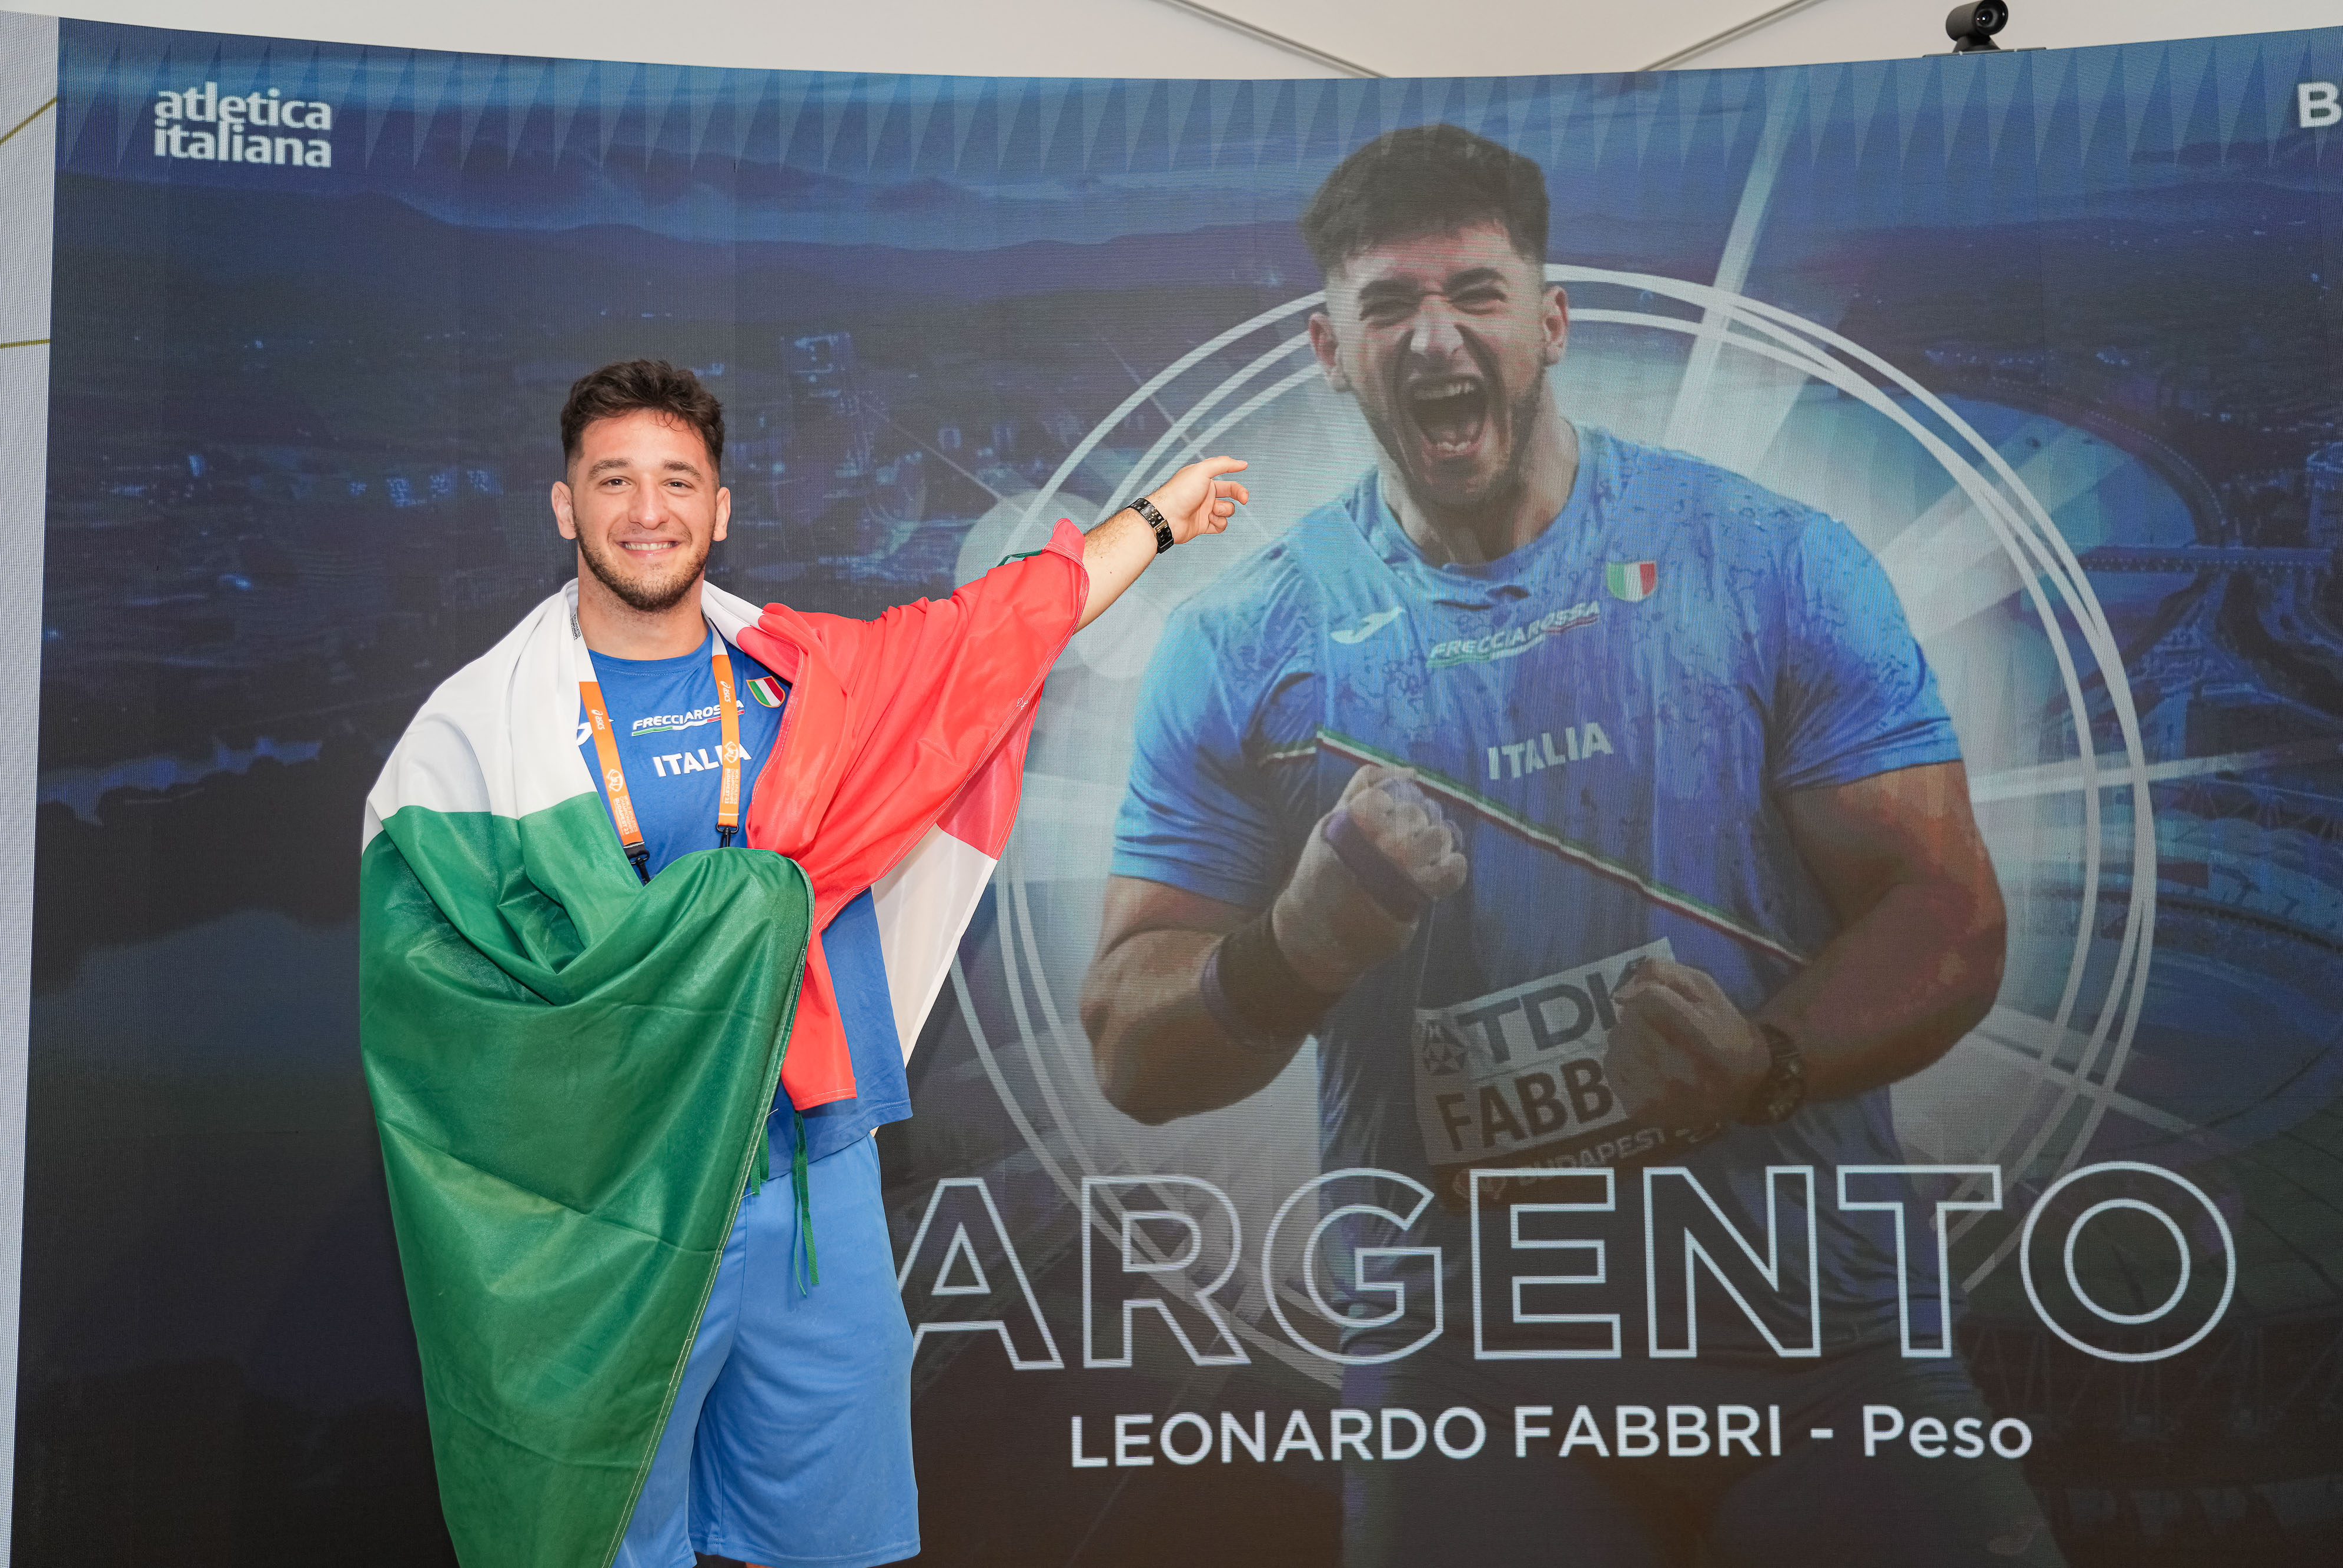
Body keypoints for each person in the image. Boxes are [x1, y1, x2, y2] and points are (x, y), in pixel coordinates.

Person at [1081, 126, 2060, 1566]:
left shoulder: (1770, 558)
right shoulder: (1238, 644)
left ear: (1548, 322)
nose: (1433, 338)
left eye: (1474, 293)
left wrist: (1764, 1061)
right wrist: (1287, 952)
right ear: (1328, 351)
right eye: (1385, 306)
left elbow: (1944, 910)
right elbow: (1130, 1046)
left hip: (1823, 1343)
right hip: (1457, 1382)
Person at [360, 360, 1246, 1568]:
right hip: (611, 1198)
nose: (647, 510)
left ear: (721, 508)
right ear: (564, 505)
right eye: (613, 481)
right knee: (608, 1536)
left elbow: (991, 633)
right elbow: (431, 990)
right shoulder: (478, 735)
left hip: (807, 1178)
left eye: (678, 481)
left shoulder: (805, 678)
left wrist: (1158, 517)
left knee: (832, 1540)